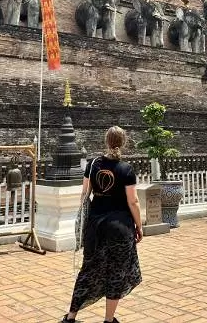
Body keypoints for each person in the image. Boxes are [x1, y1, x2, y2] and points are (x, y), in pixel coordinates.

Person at [62, 126, 143, 323]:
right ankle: (108, 319)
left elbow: (84, 195)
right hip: (120, 227)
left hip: (95, 226)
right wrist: (139, 226)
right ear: (123, 143)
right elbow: (133, 201)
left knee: (88, 270)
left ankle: (71, 317)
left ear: (106, 142)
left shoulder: (92, 165)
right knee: (117, 272)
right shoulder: (126, 169)